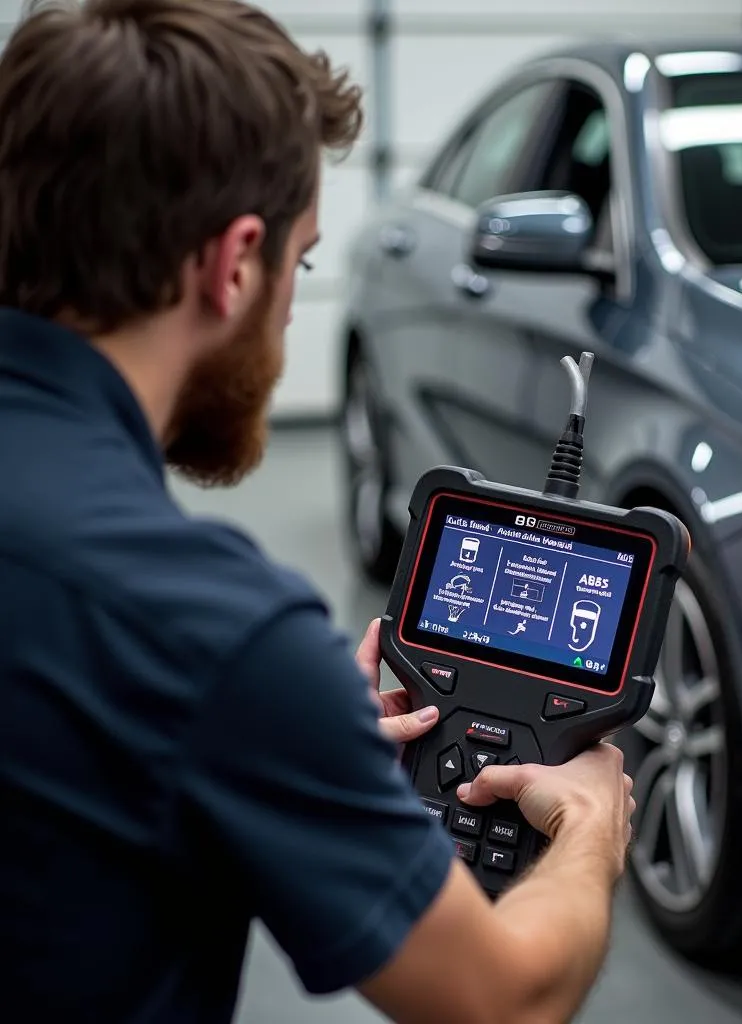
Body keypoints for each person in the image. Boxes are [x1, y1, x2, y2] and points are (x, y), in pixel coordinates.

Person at [0, 2, 636, 1022]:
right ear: (233, 263)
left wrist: (276, 748)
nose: (294, 307)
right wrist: (592, 829)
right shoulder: (210, 629)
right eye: (299, 264)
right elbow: (502, 997)